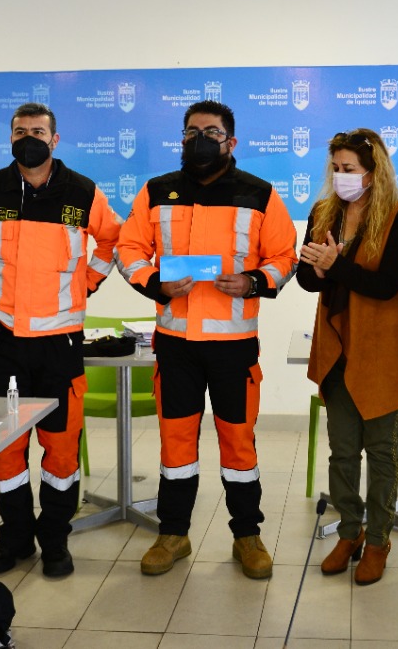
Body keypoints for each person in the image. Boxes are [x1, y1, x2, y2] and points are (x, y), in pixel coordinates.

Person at [116, 100, 298, 579]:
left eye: (212, 132)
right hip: (175, 343)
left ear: (230, 142)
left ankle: (247, 536)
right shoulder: (158, 191)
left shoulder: (259, 194)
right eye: (192, 131)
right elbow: (129, 248)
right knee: (176, 442)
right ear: (182, 138)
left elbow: (284, 255)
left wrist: (255, 281)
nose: (201, 139)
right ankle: (173, 533)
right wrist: (155, 282)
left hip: (233, 346)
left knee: (238, 444)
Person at [0, 102, 121, 578]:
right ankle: (13, 539)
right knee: (5, 446)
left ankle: (55, 540)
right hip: (2, 338)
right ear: (9, 138)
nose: (27, 137)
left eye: (37, 131)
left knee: (60, 447)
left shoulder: (82, 192)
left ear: (55, 140)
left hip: (58, 342)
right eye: (19, 131)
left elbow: (112, 241)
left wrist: (86, 282)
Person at [296, 129, 398, 586]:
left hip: (381, 347)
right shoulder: (323, 212)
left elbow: (386, 285)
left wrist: (337, 267)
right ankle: (348, 532)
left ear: (373, 172)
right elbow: (307, 280)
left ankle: (378, 540)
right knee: (343, 450)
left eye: (349, 169)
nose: (340, 177)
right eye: (335, 168)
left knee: (382, 450)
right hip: (337, 345)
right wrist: (317, 270)